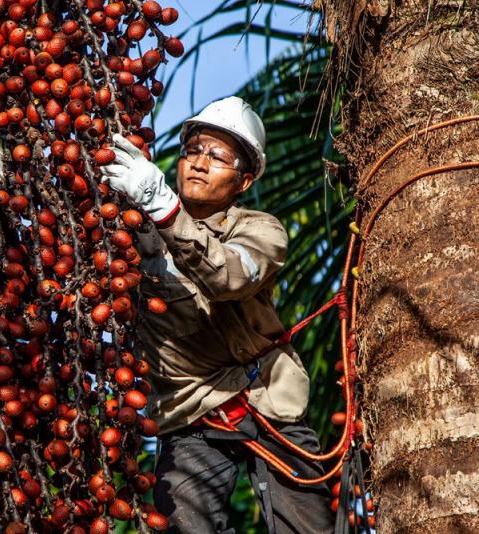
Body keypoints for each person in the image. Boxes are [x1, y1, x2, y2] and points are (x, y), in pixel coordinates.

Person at [101, 96, 334, 534]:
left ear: (244, 181)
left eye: (218, 157)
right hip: (188, 416)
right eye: (194, 150)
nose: (200, 164)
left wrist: (163, 207)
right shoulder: (135, 234)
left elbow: (230, 278)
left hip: (267, 399)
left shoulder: (261, 230)